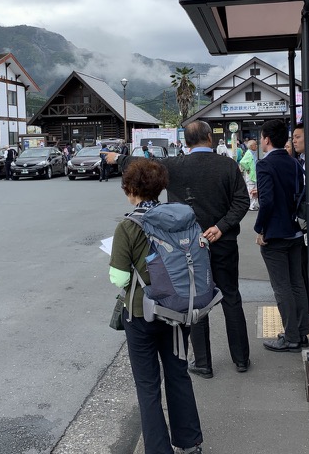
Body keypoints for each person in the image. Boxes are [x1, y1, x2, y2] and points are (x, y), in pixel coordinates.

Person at [107, 120, 251, 377]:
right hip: (224, 243)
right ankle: (241, 359)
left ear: (185, 142)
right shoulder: (227, 165)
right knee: (231, 297)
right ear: (209, 138)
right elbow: (242, 200)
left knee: (194, 297)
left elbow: (140, 168)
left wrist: (118, 158)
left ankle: (204, 364)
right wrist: (221, 227)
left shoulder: (174, 166)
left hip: (186, 247)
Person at [108, 159, 204, 454]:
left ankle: (159, 450)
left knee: (148, 385)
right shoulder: (181, 217)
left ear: (130, 189)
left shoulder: (128, 225)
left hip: (142, 313)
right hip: (177, 309)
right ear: (160, 187)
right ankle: (189, 443)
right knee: (178, 373)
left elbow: (119, 277)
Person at [254, 119, 309, 352]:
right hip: (295, 229)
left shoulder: (264, 165)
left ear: (266, 139)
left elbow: (266, 201)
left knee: (281, 287)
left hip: (275, 233)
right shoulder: (294, 163)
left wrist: (260, 229)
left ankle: (291, 337)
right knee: (298, 283)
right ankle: (302, 331)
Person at [238, 139, 258, 210]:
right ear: (251, 146)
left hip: (253, 175)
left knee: (254, 190)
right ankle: (251, 205)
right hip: (250, 175)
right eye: (255, 145)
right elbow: (242, 162)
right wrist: (248, 168)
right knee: (251, 189)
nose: (256, 146)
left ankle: (254, 204)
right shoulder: (248, 153)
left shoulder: (252, 153)